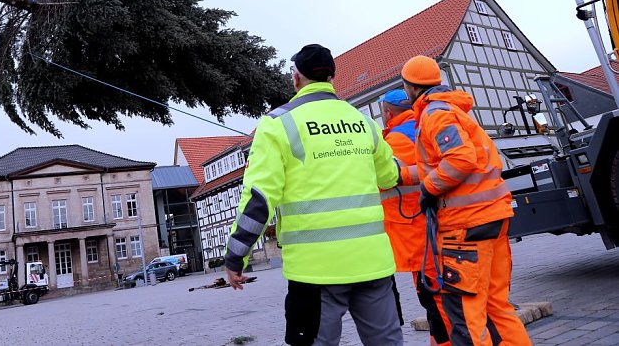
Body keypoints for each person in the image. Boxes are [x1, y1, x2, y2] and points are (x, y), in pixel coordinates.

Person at [224, 44, 403, 346]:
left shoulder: (277, 124)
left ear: (296, 79)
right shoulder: (363, 121)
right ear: (332, 78)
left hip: (315, 271)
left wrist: (235, 256)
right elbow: (390, 175)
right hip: (373, 263)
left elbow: (259, 199)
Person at [400, 55, 531, 346]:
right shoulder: (453, 110)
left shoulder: (435, 114)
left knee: (464, 311)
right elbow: (443, 162)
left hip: (465, 227)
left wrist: (428, 190)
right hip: (492, 218)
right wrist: (405, 176)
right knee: (497, 307)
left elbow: (460, 160)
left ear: (409, 87)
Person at [379, 89, 451, 346]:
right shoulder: (423, 128)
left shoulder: (395, 141)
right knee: (435, 295)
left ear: (387, 113)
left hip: (414, 229)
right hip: (434, 222)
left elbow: (383, 180)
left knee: (435, 296)